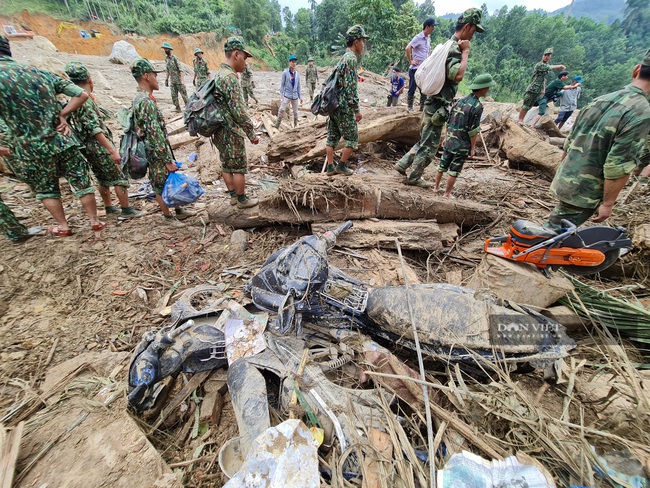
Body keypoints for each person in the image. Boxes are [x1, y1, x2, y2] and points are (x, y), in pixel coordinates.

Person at [0, 34, 104, 237]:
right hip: (62, 139)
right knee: (81, 181)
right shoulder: (37, 72)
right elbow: (81, 94)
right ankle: (94, 220)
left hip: (31, 147)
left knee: (46, 188)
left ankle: (63, 226)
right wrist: (63, 114)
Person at [546, 49, 650, 231]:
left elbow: (569, 143)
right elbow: (618, 164)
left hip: (567, 179)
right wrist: (608, 203)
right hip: (586, 190)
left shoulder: (599, 100)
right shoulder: (641, 112)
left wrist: (561, 175)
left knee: (556, 227)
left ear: (636, 70)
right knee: (551, 236)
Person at [394, 8, 484, 187]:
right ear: (467, 27)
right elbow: (457, 76)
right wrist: (465, 53)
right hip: (437, 105)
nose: (474, 34)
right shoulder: (456, 49)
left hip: (431, 103)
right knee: (430, 146)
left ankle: (403, 164)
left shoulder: (445, 45)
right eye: (474, 30)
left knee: (424, 140)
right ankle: (414, 178)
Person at [64, 62, 144, 219]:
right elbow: (95, 129)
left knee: (102, 177)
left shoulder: (74, 99)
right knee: (119, 177)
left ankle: (109, 207)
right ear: (89, 79)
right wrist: (112, 150)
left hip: (89, 146)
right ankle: (126, 209)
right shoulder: (84, 101)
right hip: (98, 146)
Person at [130, 58, 193, 220]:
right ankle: (168, 217)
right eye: (154, 75)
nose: (156, 79)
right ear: (146, 76)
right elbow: (154, 134)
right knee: (159, 184)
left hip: (157, 149)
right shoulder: (146, 102)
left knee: (167, 180)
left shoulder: (141, 99)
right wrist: (166, 159)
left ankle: (178, 211)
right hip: (156, 152)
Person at [210, 37, 260, 209]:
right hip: (231, 130)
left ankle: (232, 196)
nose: (245, 63)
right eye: (244, 59)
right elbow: (239, 111)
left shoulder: (218, 75)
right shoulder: (230, 78)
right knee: (238, 166)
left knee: (226, 164)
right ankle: (241, 200)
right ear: (236, 54)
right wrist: (251, 133)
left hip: (218, 130)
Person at [434, 74, 495, 198]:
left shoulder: (460, 100)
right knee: (454, 170)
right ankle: (447, 193)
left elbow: (449, 120)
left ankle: (436, 187)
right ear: (482, 89)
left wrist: (446, 137)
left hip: (450, 139)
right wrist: (472, 148)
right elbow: (473, 131)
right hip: (461, 144)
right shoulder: (477, 107)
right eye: (487, 87)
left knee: (442, 165)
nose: (488, 90)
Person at [323, 25, 369, 177]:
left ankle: (330, 167)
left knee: (332, 137)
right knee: (352, 137)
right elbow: (350, 89)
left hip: (333, 105)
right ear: (356, 42)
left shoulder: (343, 57)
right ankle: (341, 165)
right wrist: (356, 110)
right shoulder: (351, 59)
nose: (363, 44)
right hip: (343, 106)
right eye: (362, 40)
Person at [517, 48, 566, 125]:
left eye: (548, 55)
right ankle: (520, 119)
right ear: (542, 55)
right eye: (545, 55)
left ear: (550, 57)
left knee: (529, 106)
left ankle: (521, 120)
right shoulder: (540, 65)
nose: (546, 57)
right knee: (526, 105)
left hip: (538, 90)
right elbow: (550, 68)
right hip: (532, 89)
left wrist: (543, 90)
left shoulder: (546, 65)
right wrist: (560, 66)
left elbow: (543, 80)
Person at [405, 17, 439, 112]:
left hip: (424, 69)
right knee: (412, 87)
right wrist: (410, 61)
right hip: (415, 69)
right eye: (432, 26)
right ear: (427, 27)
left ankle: (422, 107)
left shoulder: (428, 38)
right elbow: (408, 48)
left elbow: (427, 52)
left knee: (424, 89)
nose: (433, 28)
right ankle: (410, 107)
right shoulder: (418, 37)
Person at [273, 54, 302, 128]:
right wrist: (281, 94)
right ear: (289, 62)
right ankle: (277, 124)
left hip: (295, 95)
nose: (294, 63)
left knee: (295, 112)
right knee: (281, 109)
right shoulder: (285, 73)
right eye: (292, 62)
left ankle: (295, 126)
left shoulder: (297, 74)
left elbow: (298, 86)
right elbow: (282, 84)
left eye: (295, 62)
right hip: (287, 94)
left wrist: (300, 97)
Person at [162, 42, 188, 112]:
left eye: (166, 49)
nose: (165, 50)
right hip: (172, 81)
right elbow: (168, 70)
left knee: (184, 95)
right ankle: (177, 108)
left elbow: (181, 70)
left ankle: (188, 107)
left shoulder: (175, 58)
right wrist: (166, 79)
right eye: (164, 49)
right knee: (173, 96)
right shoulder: (166, 59)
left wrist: (182, 81)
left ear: (170, 49)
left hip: (179, 81)